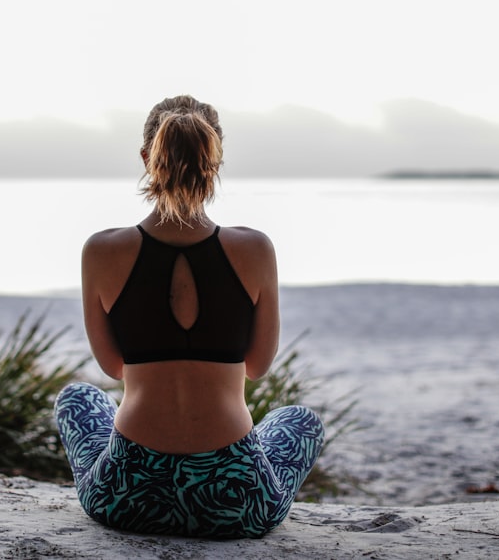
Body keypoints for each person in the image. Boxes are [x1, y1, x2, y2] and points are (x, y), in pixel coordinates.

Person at [54, 95, 324, 539]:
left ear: (147, 157)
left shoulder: (101, 250)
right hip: (238, 504)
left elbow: (113, 366)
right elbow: (257, 367)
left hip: (125, 498)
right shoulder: (255, 249)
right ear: (215, 160)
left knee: (78, 399)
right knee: (301, 421)